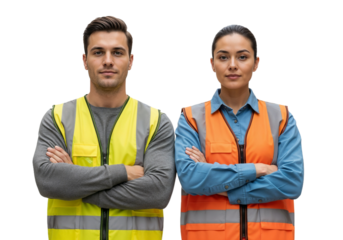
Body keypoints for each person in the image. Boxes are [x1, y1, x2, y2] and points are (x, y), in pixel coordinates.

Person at [32, 14, 176, 240]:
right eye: (98, 52)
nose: (108, 60)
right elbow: (48, 180)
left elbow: (158, 191)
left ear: (131, 61)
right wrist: (124, 172)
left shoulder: (156, 121)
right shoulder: (57, 117)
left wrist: (78, 185)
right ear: (84, 60)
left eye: (117, 52)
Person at [175, 23, 304, 240]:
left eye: (242, 57)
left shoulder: (281, 117)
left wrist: (223, 185)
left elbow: (292, 181)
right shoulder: (191, 117)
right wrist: (260, 169)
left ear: (256, 63)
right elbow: (190, 178)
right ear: (212, 64)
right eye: (223, 57)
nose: (232, 65)